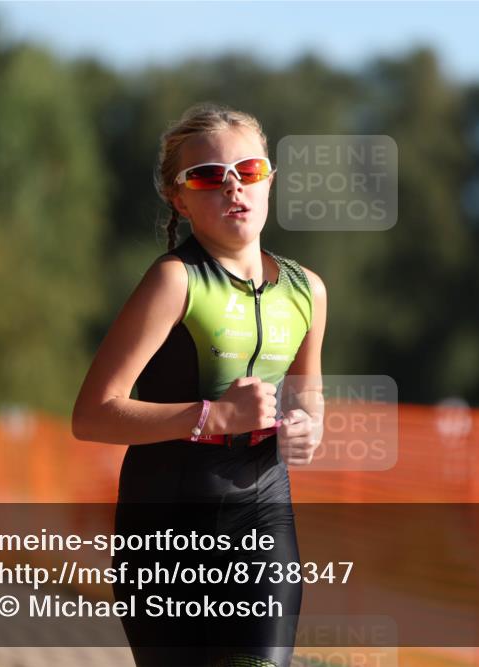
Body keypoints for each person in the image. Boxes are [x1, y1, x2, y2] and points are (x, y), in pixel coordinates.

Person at [72, 102, 327, 666]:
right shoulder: (174, 281)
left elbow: (308, 403)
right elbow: (91, 414)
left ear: (269, 181)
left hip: (262, 524)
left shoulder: (308, 290)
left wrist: (306, 430)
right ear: (179, 198)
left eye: (249, 171)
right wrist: (212, 417)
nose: (233, 187)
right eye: (209, 176)